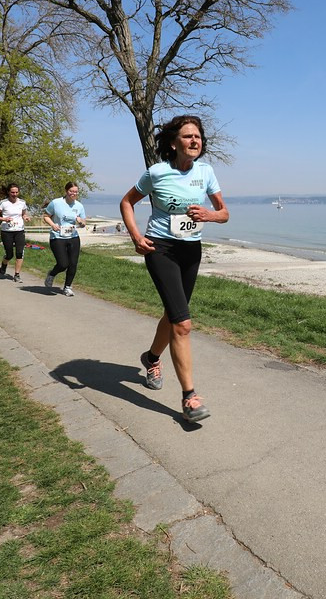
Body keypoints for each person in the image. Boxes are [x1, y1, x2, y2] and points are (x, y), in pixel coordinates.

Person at [119, 115, 228, 424]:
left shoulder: (206, 172)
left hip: (191, 251)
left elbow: (225, 213)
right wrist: (136, 237)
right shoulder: (157, 173)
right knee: (182, 324)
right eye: (188, 136)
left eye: (198, 137)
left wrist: (209, 215)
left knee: (173, 314)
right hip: (160, 249)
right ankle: (189, 397)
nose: (195, 141)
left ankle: (151, 358)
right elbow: (126, 202)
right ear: (173, 143)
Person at [42, 182, 86, 296]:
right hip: (57, 237)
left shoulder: (79, 206)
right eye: (71, 191)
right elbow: (46, 216)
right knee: (63, 264)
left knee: (73, 263)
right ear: (66, 191)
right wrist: (53, 225)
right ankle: (52, 274)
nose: (73, 193)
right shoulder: (56, 203)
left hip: (73, 237)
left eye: (76, 192)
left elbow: (83, 222)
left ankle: (67, 287)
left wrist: (81, 222)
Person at [0, 183, 30, 282]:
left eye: (16, 192)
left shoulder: (22, 202)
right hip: (7, 231)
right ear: (8, 192)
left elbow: (24, 214)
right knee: (9, 254)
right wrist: (4, 218)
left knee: (19, 253)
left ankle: (17, 274)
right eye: (12, 192)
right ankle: (4, 264)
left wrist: (25, 217)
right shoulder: (3, 203)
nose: (14, 194)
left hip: (19, 230)